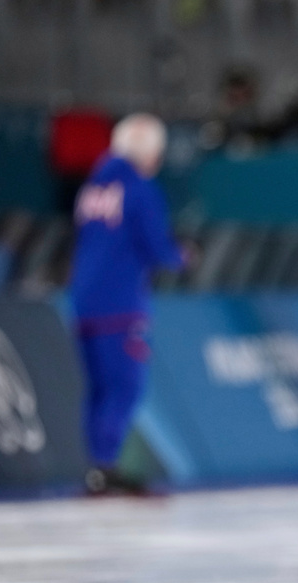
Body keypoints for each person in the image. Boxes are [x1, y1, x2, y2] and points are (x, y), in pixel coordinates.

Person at [70, 113, 188, 495]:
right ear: (150, 153)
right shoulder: (140, 189)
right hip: (120, 303)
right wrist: (183, 256)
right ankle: (105, 465)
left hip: (84, 300)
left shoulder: (93, 185)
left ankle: (98, 466)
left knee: (99, 389)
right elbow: (157, 247)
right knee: (125, 387)